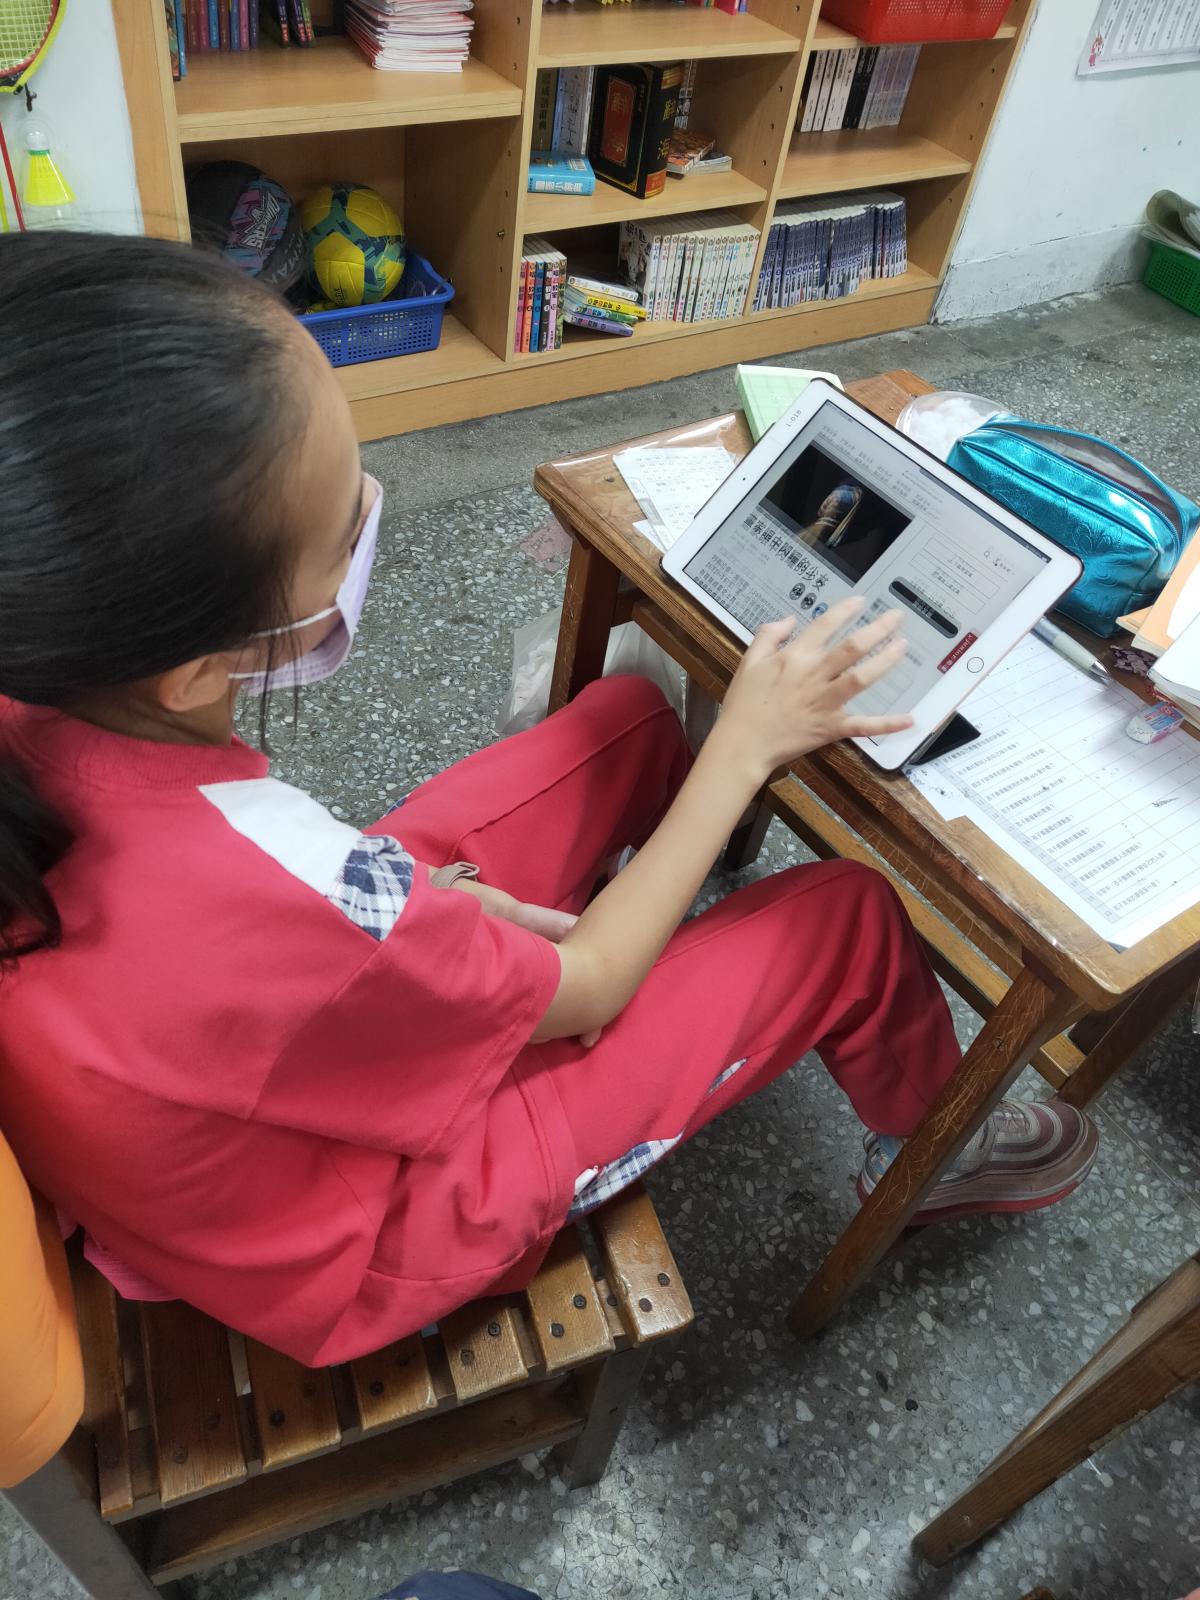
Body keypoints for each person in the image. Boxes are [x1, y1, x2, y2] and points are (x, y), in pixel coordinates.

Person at [0, 233, 1097, 1367]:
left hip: (248, 1075)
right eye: (340, 533)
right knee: (844, 917)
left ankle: (637, 910)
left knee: (630, 724)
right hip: (375, 1235)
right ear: (197, 669)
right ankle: (934, 1148)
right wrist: (745, 750)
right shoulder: (278, 892)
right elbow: (584, 985)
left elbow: (294, 922)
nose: (368, 515)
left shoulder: (34, 666)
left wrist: (441, 924)